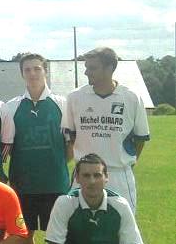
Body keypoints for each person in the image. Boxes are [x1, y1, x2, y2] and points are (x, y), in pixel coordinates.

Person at [64, 46, 150, 215]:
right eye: (86, 67)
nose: (87, 72)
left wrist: (125, 162)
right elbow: (71, 137)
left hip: (118, 174)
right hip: (84, 175)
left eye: (92, 68)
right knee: (79, 228)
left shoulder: (131, 97)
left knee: (122, 231)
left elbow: (140, 139)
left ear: (110, 68)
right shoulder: (75, 97)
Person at [1, 53, 71, 244]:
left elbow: (70, 145)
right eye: (27, 70)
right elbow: (8, 145)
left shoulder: (62, 103)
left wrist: (55, 164)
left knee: (57, 235)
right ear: (22, 74)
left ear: (45, 71)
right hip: (23, 184)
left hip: (55, 183)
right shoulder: (12, 106)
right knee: (23, 234)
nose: (32, 73)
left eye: (37, 69)